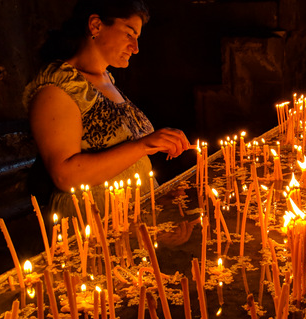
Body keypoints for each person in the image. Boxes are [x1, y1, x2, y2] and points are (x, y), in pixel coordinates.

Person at [23, 0, 190, 220]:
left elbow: (126, 164)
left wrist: (155, 200)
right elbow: (65, 176)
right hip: (93, 223)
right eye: (129, 34)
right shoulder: (58, 88)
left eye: (137, 38)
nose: (135, 48)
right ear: (96, 26)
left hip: (132, 219)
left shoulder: (106, 81)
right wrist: (144, 145)